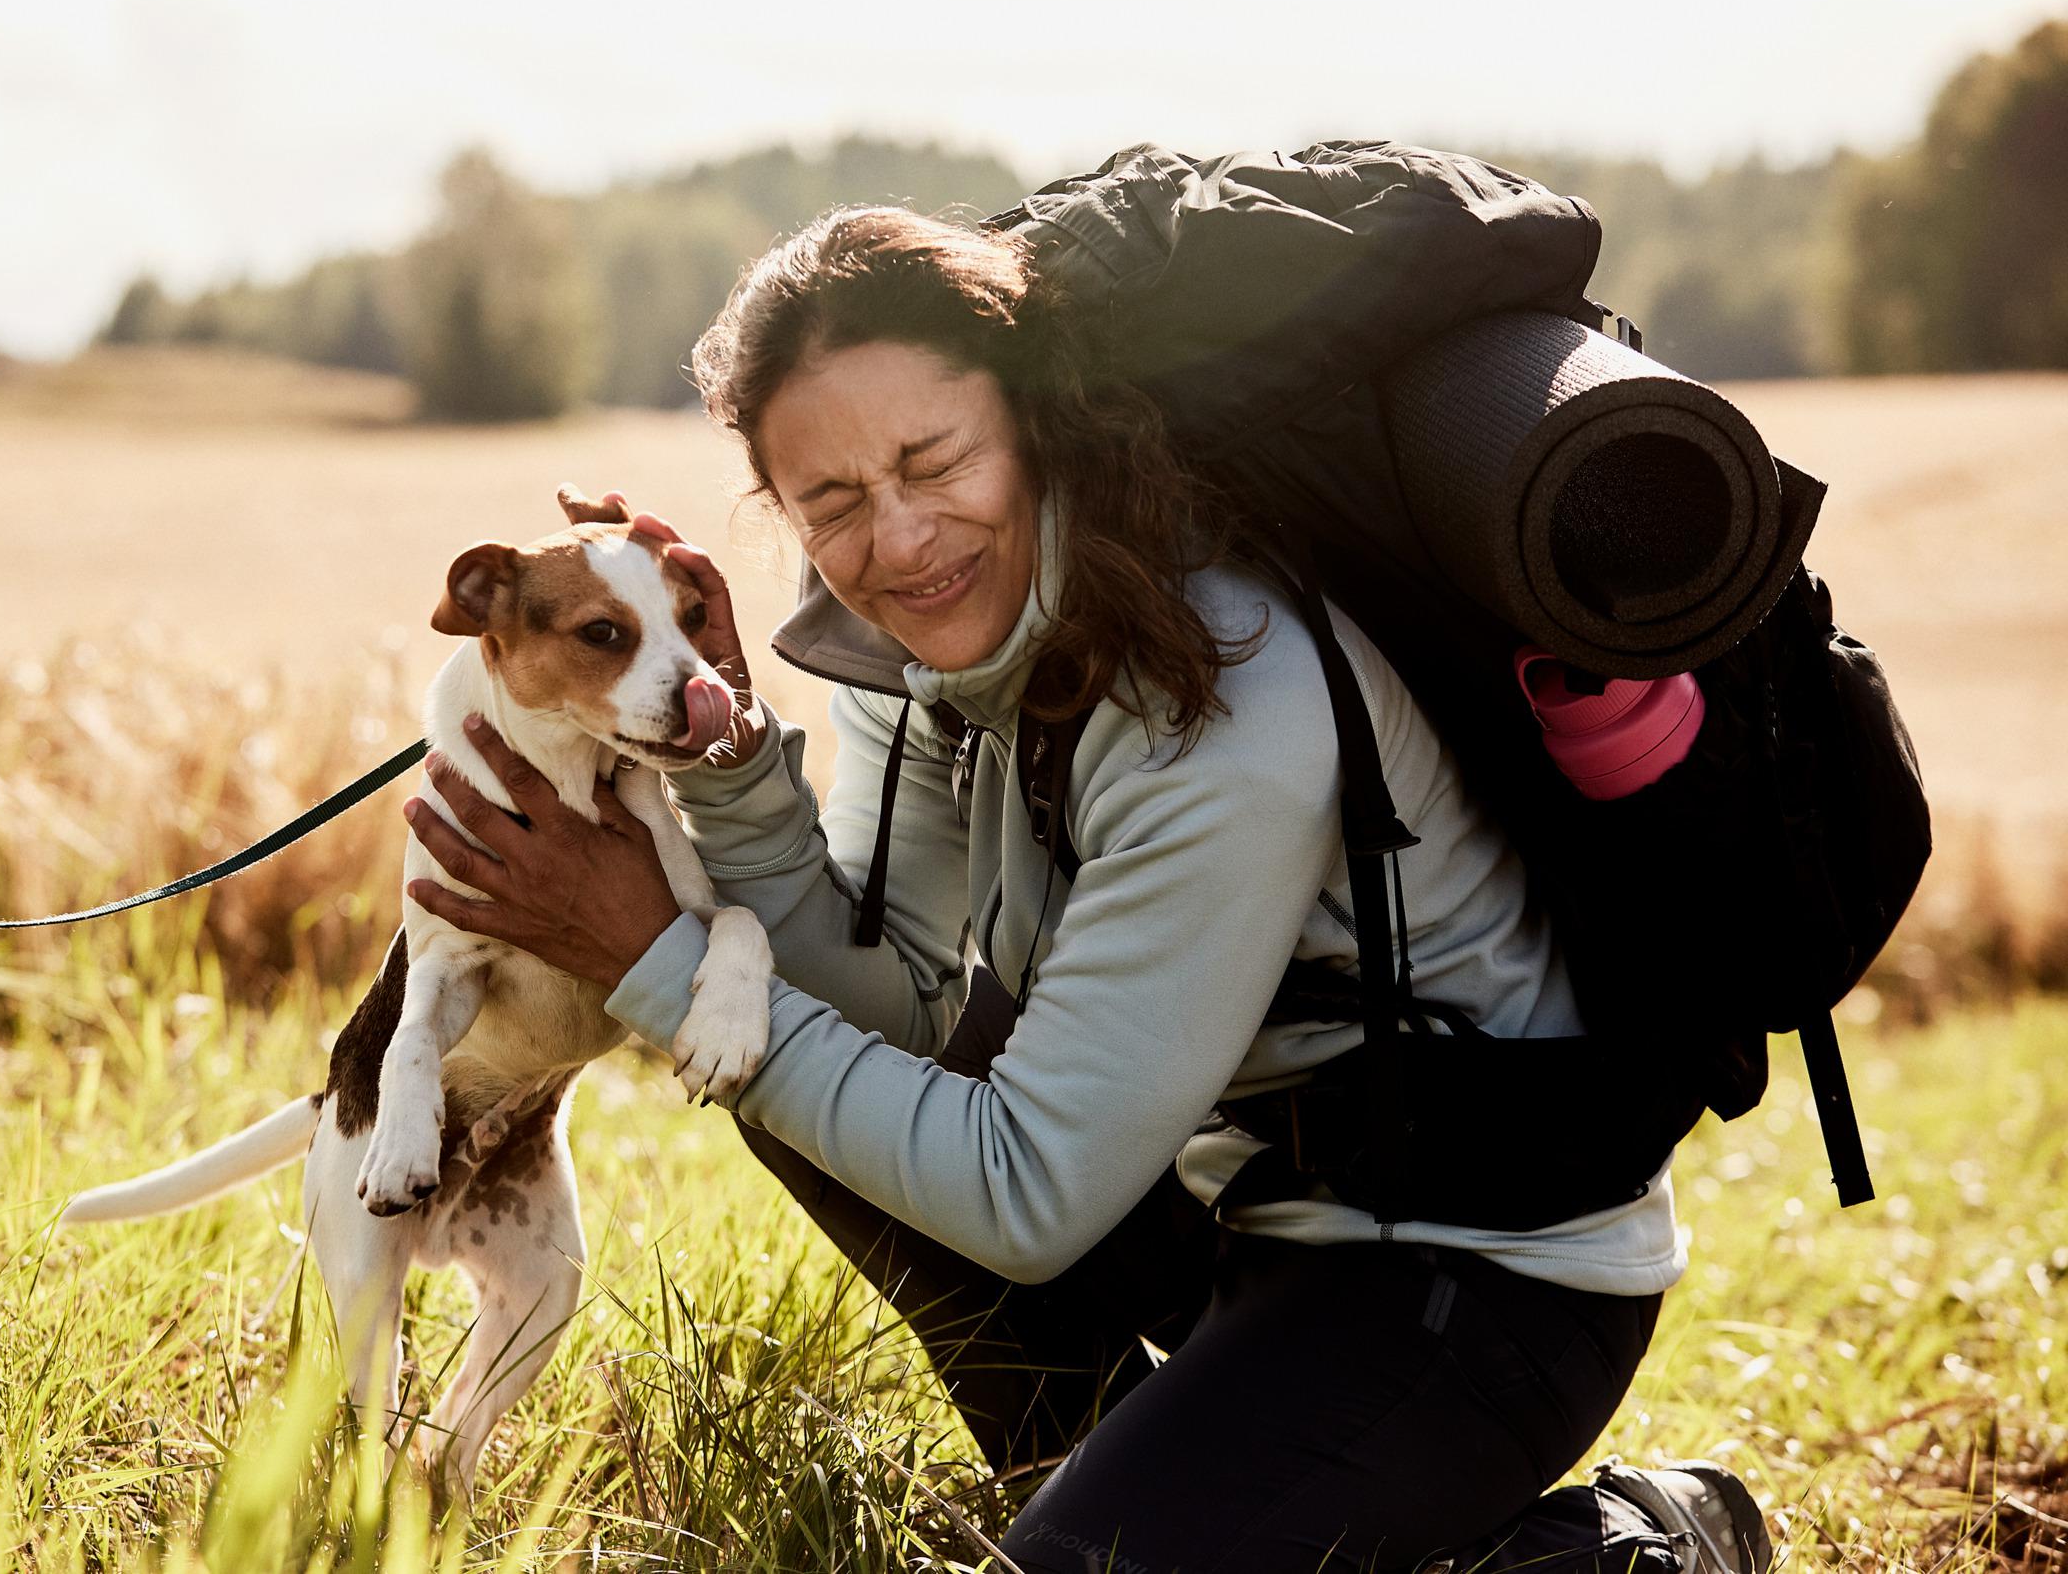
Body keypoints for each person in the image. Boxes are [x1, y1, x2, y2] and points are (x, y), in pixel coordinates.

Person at [401, 204, 1773, 1572]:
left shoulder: (1227, 696)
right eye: (831, 503)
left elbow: (1030, 1192)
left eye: (933, 461)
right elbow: (892, 1007)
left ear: (1036, 422)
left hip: (1474, 1270)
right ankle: (1103, 1471)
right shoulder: (930, 657)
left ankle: (1637, 1547)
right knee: (768, 1049)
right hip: (1234, 1199)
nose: (900, 540)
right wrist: (732, 752)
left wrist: (654, 951)